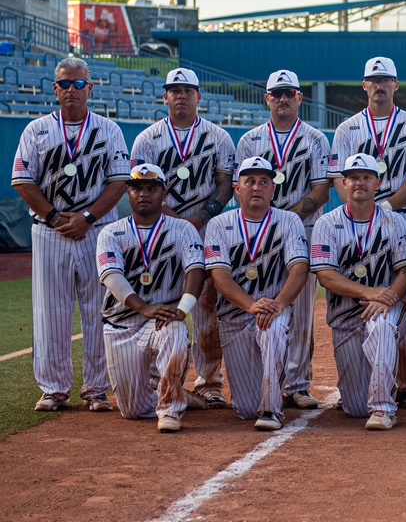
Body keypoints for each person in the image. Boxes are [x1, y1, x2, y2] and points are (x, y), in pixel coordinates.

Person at [12, 57, 129, 412]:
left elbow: (120, 180)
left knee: (99, 309)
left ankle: (96, 389)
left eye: (79, 84)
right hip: (50, 232)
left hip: (97, 231)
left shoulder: (109, 130)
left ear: (90, 89)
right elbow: (22, 180)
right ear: (55, 89)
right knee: (50, 311)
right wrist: (53, 216)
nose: (72, 90)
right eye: (65, 84)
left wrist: (88, 218)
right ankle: (54, 389)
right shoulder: (36, 130)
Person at [330, 57, 406, 410]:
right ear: (364, 85)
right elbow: (336, 177)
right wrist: (359, 210)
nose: (379, 85)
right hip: (355, 220)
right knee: (357, 297)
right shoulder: (347, 129)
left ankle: (404, 384)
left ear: (396, 85)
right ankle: (366, 376)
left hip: (398, 217)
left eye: (386, 79)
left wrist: (384, 209)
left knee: (399, 301)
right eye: (373, 79)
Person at [131, 67, 236, 408]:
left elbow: (224, 185)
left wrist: (199, 217)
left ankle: (208, 381)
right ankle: (152, 378)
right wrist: (176, 219)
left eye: (187, 90)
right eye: (174, 90)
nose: (180, 95)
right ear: (165, 96)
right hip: (160, 229)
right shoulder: (147, 139)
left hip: (206, 226)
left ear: (198, 96)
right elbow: (140, 188)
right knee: (159, 296)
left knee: (206, 304)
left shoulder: (218, 136)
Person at [236, 69, 331, 410]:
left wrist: (286, 217)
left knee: (302, 308)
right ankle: (266, 377)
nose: (283, 98)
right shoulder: (249, 140)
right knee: (262, 301)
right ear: (267, 98)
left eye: (289, 92)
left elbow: (321, 190)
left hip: (303, 228)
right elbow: (242, 190)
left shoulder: (315, 139)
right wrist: (267, 222)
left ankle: (298, 382)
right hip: (259, 232)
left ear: (299, 97)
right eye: (276, 93)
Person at [96, 164, 208, 433]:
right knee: (133, 411)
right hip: (121, 323)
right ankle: (174, 390)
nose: (143, 194)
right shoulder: (111, 232)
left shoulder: (182, 229)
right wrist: (142, 307)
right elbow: (112, 276)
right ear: (128, 193)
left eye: (151, 188)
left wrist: (183, 309)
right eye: (137, 189)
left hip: (162, 318)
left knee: (176, 331)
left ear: (163, 194)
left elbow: (196, 269)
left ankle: (171, 407)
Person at [204, 156, 309, 430]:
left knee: (273, 328)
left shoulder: (289, 221)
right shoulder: (219, 224)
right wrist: (251, 305)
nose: (257, 187)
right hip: (235, 316)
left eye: (264, 182)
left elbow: (299, 268)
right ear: (237, 188)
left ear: (272, 189)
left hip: (274, 311)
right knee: (247, 410)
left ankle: (272, 410)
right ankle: (262, 403)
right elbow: (219, 275)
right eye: (249, 181)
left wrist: (278, 304)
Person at [312, 154, 406, 430]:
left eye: (366, 177)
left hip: (386, 310)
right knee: (356, 408)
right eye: (354, 177)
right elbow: (325, 276)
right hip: (345, 317)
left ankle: (382, 409)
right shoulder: (326, 224)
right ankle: (364, 392)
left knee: (380, 325)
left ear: (377, 183)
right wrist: (371, 292)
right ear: (344, 183)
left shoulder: (396, 222)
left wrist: (388, 297)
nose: (360, 183)